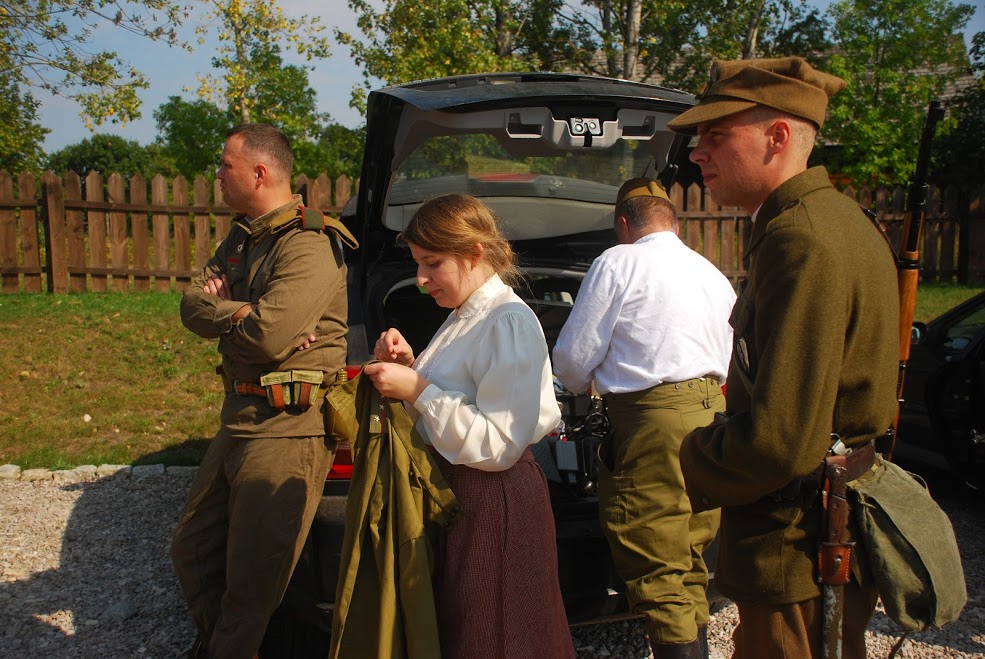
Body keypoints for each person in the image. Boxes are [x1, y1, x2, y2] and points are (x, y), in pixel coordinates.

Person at [670, 57, 900, 658]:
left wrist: (693, 454)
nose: (698, 153)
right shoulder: (833, 220)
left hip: (796, 544)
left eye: (717, 135)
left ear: (777, 137)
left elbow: (779, 442)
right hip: (817, 530)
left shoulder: (801, 238)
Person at [362, 193, 576, 659]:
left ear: (474, 253)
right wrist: (410, 366)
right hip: (466, 498)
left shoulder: (507, 320)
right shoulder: (467, 315)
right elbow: (460, 396)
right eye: (417, 263)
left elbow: (497, 443)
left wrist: (417, 388)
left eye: (432, 263)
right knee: (469, 632)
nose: (421, 280)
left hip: (494, 501)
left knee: (497, 638)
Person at [171, 123, 350, 659]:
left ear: (259, 172)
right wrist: (241, 313)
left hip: (287, 428)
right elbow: (191, 305)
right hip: (240, 416)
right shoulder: (242, 238)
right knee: (193, 549)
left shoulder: (310, 243)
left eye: (225, 165)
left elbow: (269, 336)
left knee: (252, 579)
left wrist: (234, 314)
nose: (218, 175)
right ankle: (225, 645)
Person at [552, 178, 736, 658]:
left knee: (656, 559)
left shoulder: (618, 261)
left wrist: (579, 385)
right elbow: (730, 351)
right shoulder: (711, 272)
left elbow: (573, 358)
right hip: (712, 417)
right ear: (673, 222)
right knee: (690, 555)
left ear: (623, 224)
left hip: (652, 423)